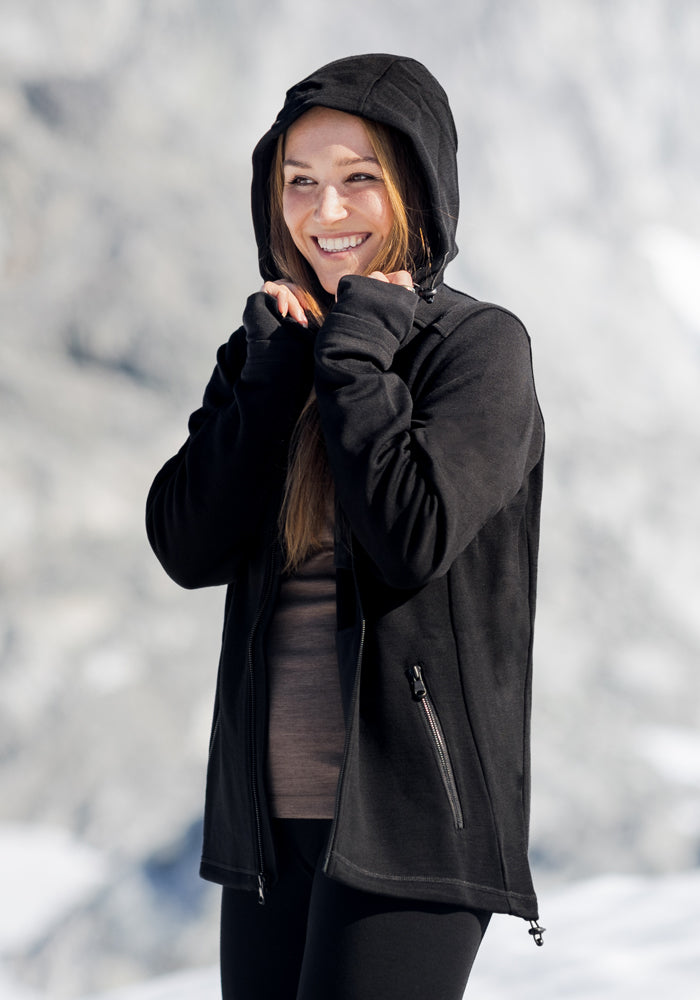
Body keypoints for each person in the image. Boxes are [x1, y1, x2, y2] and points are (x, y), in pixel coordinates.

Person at [146, 53, 545, 1000]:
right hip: (268, 831)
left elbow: (409, 532)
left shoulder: (481, 349)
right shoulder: (273, 352)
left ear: (416, 187)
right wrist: (273, 376)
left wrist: (360, 350)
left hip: (413, 832)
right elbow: (184, 544)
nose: (327, 213)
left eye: (359, 179)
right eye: (301, 184)